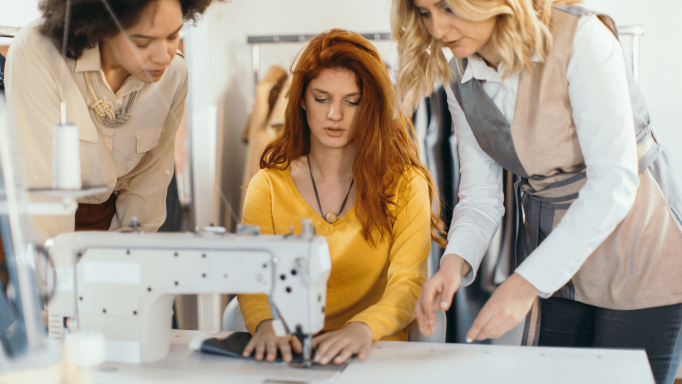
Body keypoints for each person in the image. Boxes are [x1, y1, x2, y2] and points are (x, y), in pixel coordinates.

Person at [391, 1, 682, 383]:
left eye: (448, 7)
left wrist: (526, 282)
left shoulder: (580, 38)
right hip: (555, 259)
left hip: (641, 249)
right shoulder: (458, 76)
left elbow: (614, 181)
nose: (438, 27)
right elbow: (481, 195)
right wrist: (452, 264)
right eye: (425, 12)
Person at [237, 29, 446, 366]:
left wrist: (363, 328)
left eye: (353, 101)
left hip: (377, 352)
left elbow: (409, 282)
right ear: (302, 100)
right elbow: (252, 276)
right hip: (292, 353)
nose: (335, 115)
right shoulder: (269, 186)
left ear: (372, 107)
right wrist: (265, 325)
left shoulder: (406, 185)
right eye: (322, 99)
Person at [4, 0, 222, 243]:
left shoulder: (174, 73)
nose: (163, 57)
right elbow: (40, 194)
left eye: (172, 37)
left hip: (109, 221)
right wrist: (55, 270)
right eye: (142, 42)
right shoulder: (38, 51)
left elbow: (149, 182)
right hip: (34, 223)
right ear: (104, 27)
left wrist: (127, 255)